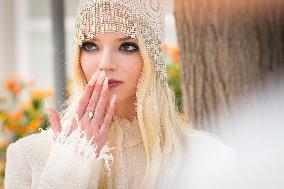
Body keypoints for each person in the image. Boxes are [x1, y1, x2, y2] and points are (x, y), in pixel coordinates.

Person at [4, 0, 236, 188]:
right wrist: (69, 166)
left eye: (127, 46)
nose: (105, 64)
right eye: (90, 45)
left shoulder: (210, 158)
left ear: (152, 57)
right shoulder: (28, 156)